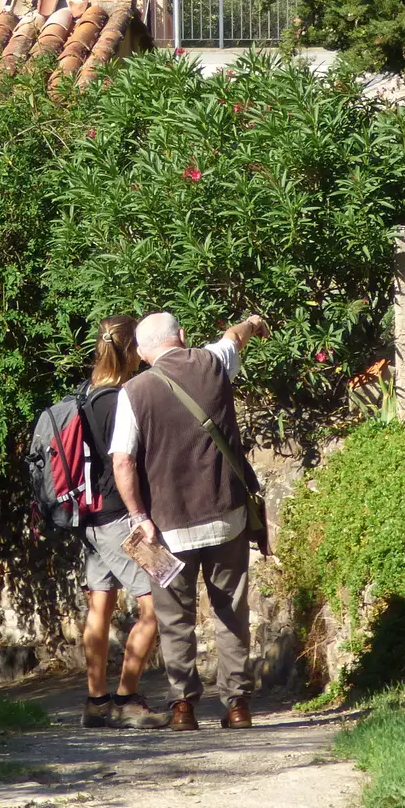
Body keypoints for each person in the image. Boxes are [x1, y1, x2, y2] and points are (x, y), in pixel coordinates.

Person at [110, 309, 270, 731]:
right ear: (181, 336)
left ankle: (183, 708)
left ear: (143, 354)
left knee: (174, 618)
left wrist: (139, 516)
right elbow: (234, 336)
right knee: (230, 613)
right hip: (225, 517)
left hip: (166, 529)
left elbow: (123, 461)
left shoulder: (133, 391)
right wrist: (253, 323)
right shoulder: (212, 362)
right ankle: (237, 706)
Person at [78, 314, 163, 729]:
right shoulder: (123, 398)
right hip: (120, 520)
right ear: (133, 350)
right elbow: (126, 460)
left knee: (100, 605)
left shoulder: (86, 394)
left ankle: (96, 704)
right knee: (158, 606)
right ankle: (128, 700)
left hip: (89, 517)